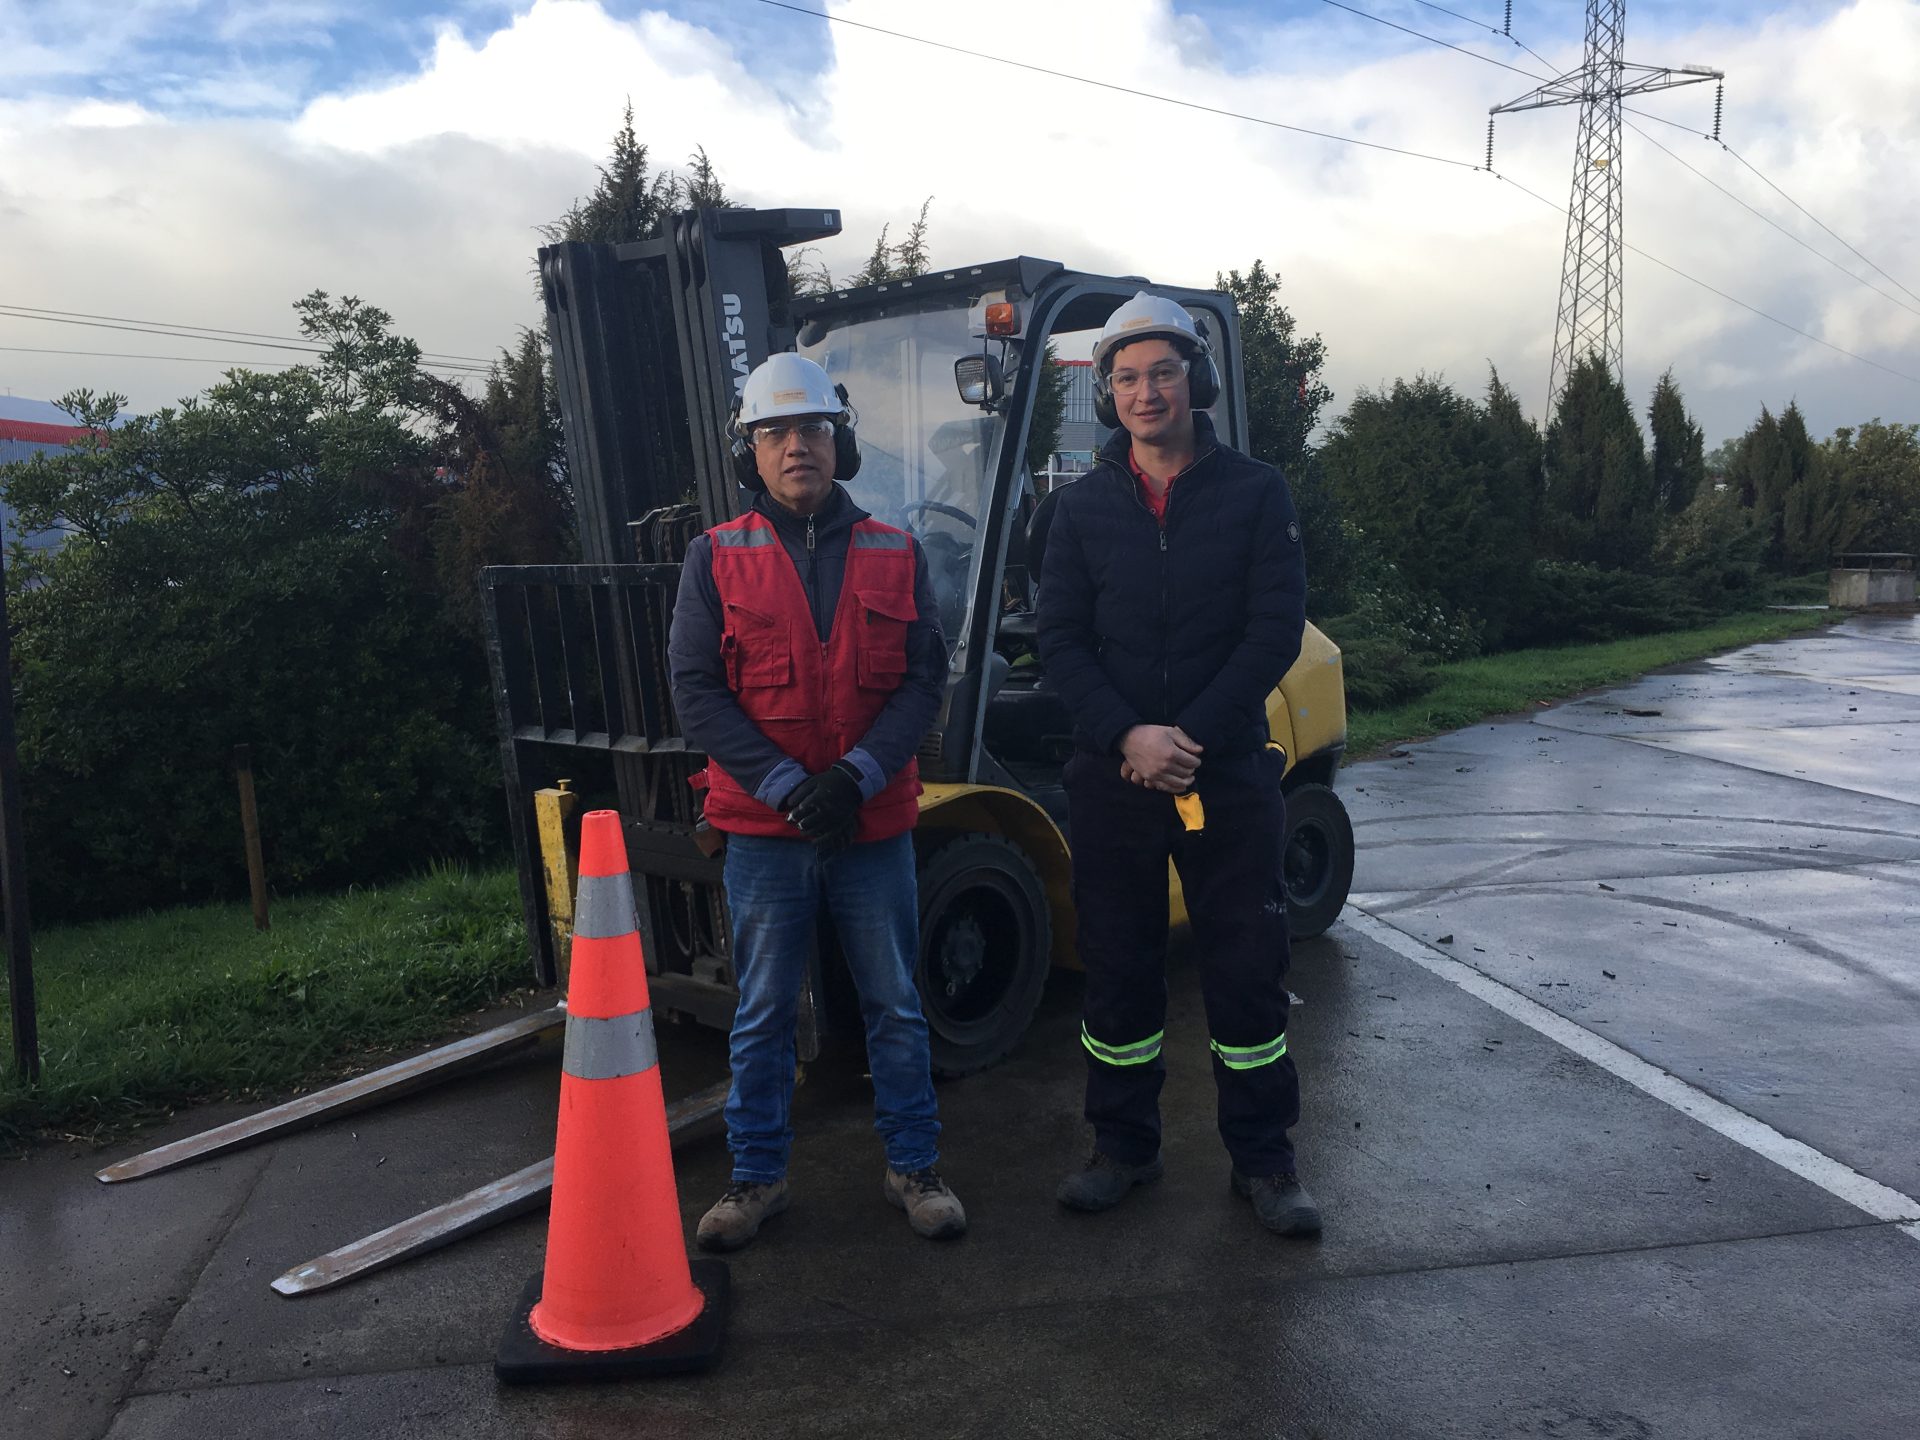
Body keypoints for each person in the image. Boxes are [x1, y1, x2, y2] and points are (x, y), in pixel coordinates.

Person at [1036, 292, 1320, 1237]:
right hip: (1112, 777)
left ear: (1192, 381)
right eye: (1126, 376)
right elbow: (1062, 640)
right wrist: (1129, 738)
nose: (1145, 390)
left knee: (1246, 967)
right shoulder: (1077, 510)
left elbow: (1273, 629)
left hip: (1225, 772)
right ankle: (1122, 1147)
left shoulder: (1256, 492)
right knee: (1117, 967)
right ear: (1107, 393)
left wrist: (1187, 737)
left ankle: (1266, 1162)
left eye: (1161, 372)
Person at [667, 352, 965, 1250]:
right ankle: (757, 1180)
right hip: (766, 831)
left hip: (870, 823)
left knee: (896, 1005)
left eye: (813, 429)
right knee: (761, 1012)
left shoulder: (896, 552)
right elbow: (696, 692)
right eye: (776, 432)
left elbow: (922, 683)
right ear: (749, 453)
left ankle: (914, 1167)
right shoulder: (712, 559)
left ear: (840, 443)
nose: (797, 446)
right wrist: (792, 787)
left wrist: (858, 777)